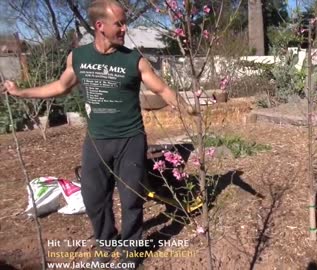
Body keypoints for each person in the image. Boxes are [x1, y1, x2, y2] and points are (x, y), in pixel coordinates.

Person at [2, 0, 196, 269]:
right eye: (119, 23)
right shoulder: (78, 57)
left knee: (131, 199)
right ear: (100, 26)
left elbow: (162, 90)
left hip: (130, 138)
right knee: (94, 198)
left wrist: (188, 108)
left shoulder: (134, 60)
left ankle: (131, 249)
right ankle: (106, 242)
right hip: (96, 140)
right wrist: (20, 91)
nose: (125, 28)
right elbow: (60, 86)